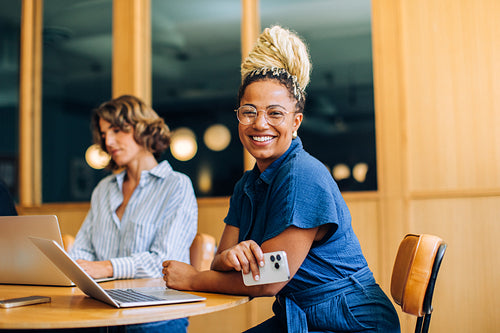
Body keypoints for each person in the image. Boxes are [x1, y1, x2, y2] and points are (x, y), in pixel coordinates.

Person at [162, 26, 400, 332]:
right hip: (304, 317)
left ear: (296, 121)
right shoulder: (246, 184)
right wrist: (230, 257)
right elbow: (219, 261)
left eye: (275, 113)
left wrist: (192, 279)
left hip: (352, 320)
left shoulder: (303, 175)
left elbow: (269, 280)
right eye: (249, 112)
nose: (260, 124)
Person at [70, 95, 197, 333]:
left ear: (144, 130)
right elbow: (81, 250)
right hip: (102, 314)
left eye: (117, 130)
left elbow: (166, 262)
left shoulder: (176, 185)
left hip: (154, 316)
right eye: (104, 133)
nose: (108, 141)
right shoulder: (104, 189)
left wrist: (107, 267)